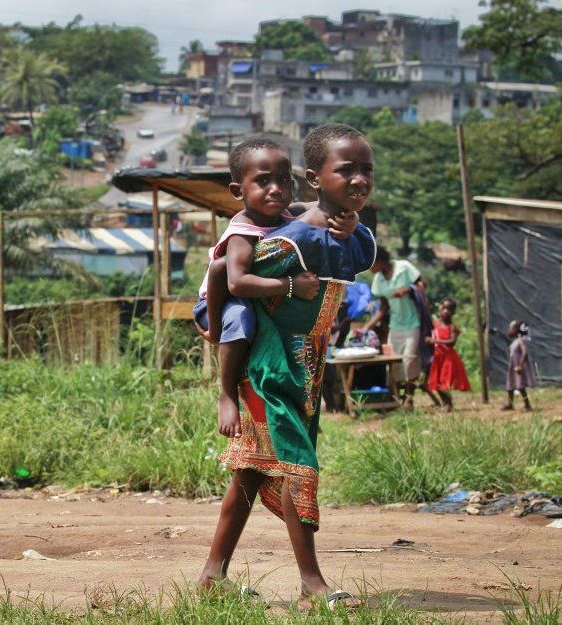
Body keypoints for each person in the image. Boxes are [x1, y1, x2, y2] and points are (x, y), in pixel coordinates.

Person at [198, 123, 376, 610]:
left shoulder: (350, 234)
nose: (359, 180)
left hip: (306, 369)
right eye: (347, 171)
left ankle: (213, 578)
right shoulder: (287, 241)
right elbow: (226, 276)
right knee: (298, 464)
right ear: (318, 177)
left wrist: (351, 228)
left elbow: (358, 256)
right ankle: (311, 585)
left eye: (367, 171)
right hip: (269, 367)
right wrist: (217, 334)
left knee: (251, 473)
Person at [193, 137, 357, 442]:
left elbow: (324, 207)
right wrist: (290, 285)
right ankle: (226, 395)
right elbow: (236, 282)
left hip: (254, 298)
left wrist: (351, 219)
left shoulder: (285, 215)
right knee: (244, 319)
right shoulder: (244, 230)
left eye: (284, 180)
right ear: (238, 191)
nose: (276, 189)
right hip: (220, 304)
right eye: (263, 181)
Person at [362, 246, 424, 409]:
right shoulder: (378, 280)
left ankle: (409, 398)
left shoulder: (403, 267)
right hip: (395, 326)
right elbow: (383, 307)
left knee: (410, 361)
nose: (369, 269)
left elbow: (422, 284)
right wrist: (366, 327)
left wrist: (407, 289)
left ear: (380, 260)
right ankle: (397, 398)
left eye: (371, 264)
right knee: (394, 364)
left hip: (413, 323)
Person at [425, 298, 470, 412]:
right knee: (435, 382)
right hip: (437, 357)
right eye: (444, 308)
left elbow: (452, 342)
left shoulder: (452, 327)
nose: (445, 311)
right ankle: (446, 402)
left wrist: (435, 341)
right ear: (440, 308)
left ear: (453, 312)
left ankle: (448, 404)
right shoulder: (435, 324)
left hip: (448, 358)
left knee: (445, 382)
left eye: (449, 309)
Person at [503, 320, 535, 411]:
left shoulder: (520, 341)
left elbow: (525, 352)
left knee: (520, 387)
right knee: (510, 386)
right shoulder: (515, 341)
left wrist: (520, 365)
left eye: (512, 328)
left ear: (517, 330)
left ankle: (527, 405)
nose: (510, 330)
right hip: (512, 367)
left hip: (518, 367)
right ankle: (510, 404)